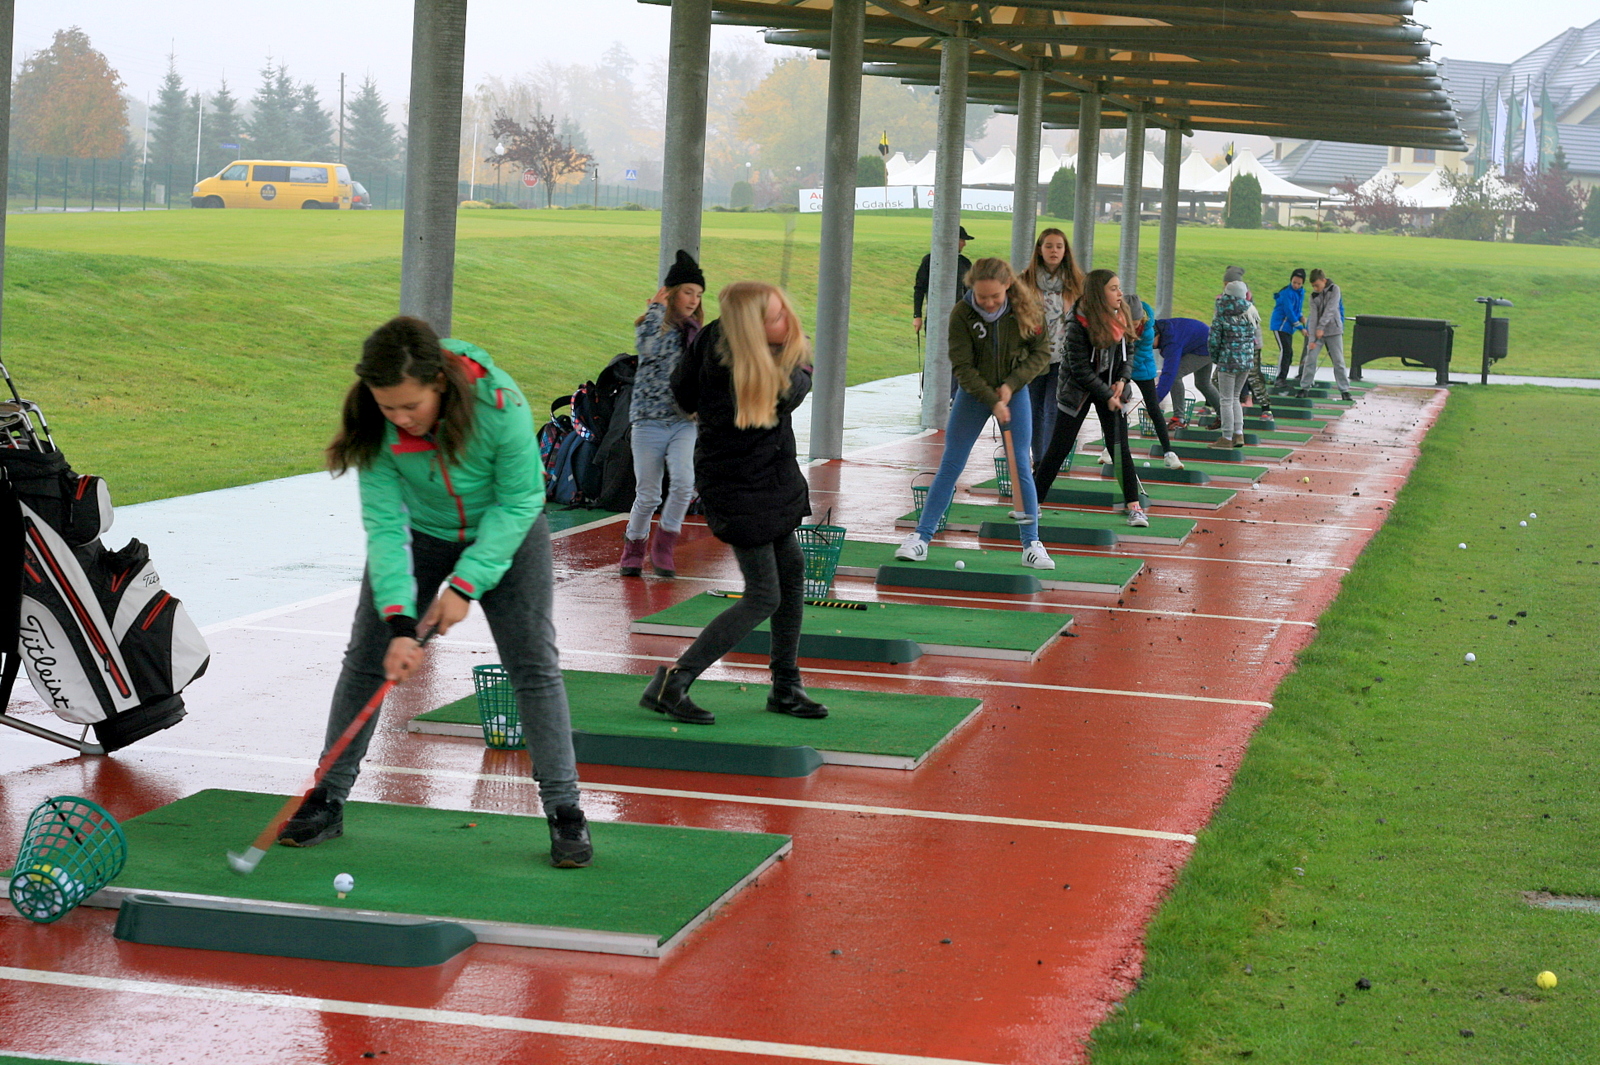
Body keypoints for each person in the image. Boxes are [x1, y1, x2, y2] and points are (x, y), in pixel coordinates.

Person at [283, 316, 590, 868]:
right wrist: (401, 622)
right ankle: (327, 798)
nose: (401, 419)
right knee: (365, 658)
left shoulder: (500, 405)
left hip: (509, 531)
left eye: (411, 407)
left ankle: (565, 812)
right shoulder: (375, 425)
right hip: (423, 534)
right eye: (388, 408)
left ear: (439, 385)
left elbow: (521, 502)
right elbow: (383, 524)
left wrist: (467, 584)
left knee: (533, 665)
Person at [639, 282, 826, 726]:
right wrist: (799, 366)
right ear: (751, 328)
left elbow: (682, 392)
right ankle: (674, 682)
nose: (787, 322)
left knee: (791, 570)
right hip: (743, 488)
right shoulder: (750, 371)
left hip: (763, 478)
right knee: (764, 595)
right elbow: (794, 389)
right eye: (775, 317)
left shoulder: (715, 335)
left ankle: (785, 685)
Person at [896, 257, 1054, 567]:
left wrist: (1011, 385)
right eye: (982, 297)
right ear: (972, 290)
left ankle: (1032, 544)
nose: (989, 302)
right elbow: (963, 368)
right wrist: (992, 399)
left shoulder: (1026, 308)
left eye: (995, 296)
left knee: (1020, 463)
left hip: (1014, 392)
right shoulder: (962, 315)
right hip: (973, 395)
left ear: (1007, 285)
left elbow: (1042, 353)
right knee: (952, 463)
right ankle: (921, 538)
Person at [1033, 269, 1150, 528]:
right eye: (1113, 288)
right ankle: (1033, 504)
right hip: (1077, 389)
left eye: (1119, 287)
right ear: (1099, 293)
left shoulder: (1122, 314)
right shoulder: (1077, 321)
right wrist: (1108, 394)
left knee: (1119, 448)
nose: (1120, 293)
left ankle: (1134, 506)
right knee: (1059, 447)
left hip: (1112, 388)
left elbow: (1128, 349)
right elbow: (1080, 369)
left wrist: (1122, 381)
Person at [619, 250, 705, 579]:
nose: (694, 300)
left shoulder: (697, 334)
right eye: (688, 292)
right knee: (648, 493)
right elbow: (648, 349)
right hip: (648, 422)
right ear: (670, 293)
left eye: (698, 295)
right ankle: (634, 546)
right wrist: (654, 309)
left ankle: (664, 545)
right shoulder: (651, 325)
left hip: (684, 422)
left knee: (684, 484)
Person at [1019, 228, 1084, 464]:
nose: (1054, 251)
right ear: (1039, 249)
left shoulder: (1077, 282)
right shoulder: (1024, 280)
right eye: (1049, 246)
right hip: (1033, 357)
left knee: (1052, 410)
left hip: (1063, 358)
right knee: (1031, 411)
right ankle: (1035, 460)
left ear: (1065, 251)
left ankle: (1047, 462)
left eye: (1059, 246)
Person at [1124, 292, 1183, 470]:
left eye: (1135, 323)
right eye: (1129, 323)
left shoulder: (1148, 330)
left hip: (1142, 369)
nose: (1133, 327)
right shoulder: (1116, 325)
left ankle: (1169, 453)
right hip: (1120, 368)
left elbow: (1139, 356)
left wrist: (1124, 377)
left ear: (1141, 319)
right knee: (1117, 410)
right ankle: (1110, 450)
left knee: (1154, 409)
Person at [1208, 280, 1257, 449]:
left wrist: (1216, 358)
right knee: (1235, 397)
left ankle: (1226, 437)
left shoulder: (1222, 310)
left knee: (1226, 400)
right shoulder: (1251, 310)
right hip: (1246, 362)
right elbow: (1254, 339)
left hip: (1227, 361)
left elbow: (1214, 339)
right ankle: (1238, 434)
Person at [1222, 265, 1274, 423]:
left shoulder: (1244, 301)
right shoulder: (1228, 299)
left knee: (1254, 377)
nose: (1225, 287)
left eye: (1227, 283)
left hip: (1249, 346)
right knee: (1219, 379)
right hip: (1233, 347)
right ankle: (1214, 406)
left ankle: (1266, 409)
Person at [1152, 317, 1220, 429]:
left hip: (1205, 346)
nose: (1151, 346)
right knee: (1202, 383)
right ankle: (1225, 416)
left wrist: (1155, 400)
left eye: (1150, 341)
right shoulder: (1163, 330)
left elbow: (1170, 372)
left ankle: (1179, 419)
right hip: (1204, 341)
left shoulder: (1171, 340)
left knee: (1175, 376)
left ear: (1157, 335)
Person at [1298, 269, 1352, 401]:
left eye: (1317, 285)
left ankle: (1344, 390)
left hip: (1334, 331)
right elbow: (1313, 317)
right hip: (1317, 333)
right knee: (1311, 358)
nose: (1315, 288)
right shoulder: (1313, 296)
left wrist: (1321, 327)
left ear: (1324, 280)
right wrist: (1312, 338)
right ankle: (1305, 387)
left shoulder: (1335, 290)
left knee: (1338, 361)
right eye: (1313, 286)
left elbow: (1331, 309)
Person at [912, 225, 973, 337]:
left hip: (959, 318)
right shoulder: (930, 260)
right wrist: (917, 316)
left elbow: (971, 292)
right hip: (935, 317)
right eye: (962, 240)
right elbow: (919, 289)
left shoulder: (965, 263)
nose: (964, 244)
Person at [1270, 267, 1308, 386]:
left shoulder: (1300, 293)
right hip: (1280, 325)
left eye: (1299, 283)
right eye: (1294, 282)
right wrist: (1300, 328)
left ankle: (1282, 377)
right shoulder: (1287, 293)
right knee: (1285, 351)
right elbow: (1289, 312)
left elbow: (1297, 309)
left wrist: (1301, 316)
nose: (1296, 285)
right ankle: (1279, 378)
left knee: (1289, 353)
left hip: (1288, 327)